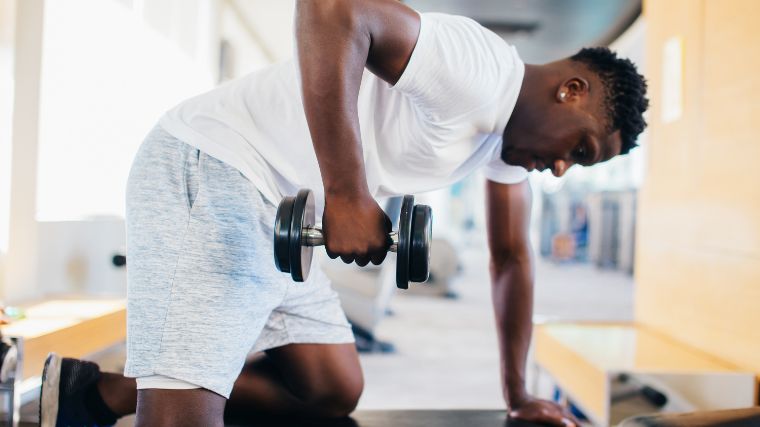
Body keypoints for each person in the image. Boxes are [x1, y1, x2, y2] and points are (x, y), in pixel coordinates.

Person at [38, 0, 648, 426]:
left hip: (281, 215)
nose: (563, 168)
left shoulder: (505, 149)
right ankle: (164, 385)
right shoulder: (479, 72)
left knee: (331, 389)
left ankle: (97, 392)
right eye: (580, 149)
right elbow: (331, 7)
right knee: (183, 418)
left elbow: (512, 256)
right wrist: (350, 195)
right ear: (572, 90)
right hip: (215, 165)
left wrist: (518, 394)